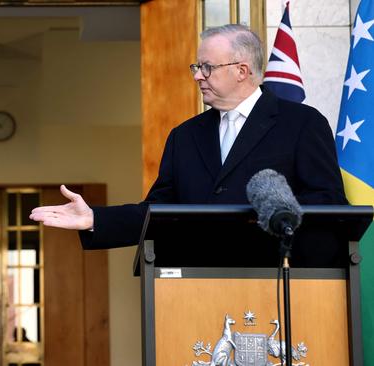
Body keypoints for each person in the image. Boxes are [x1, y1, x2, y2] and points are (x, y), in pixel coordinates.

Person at [30, 24, 347, 263]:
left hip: (276, 280)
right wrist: (95, 219)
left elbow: (327, 204)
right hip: (197, 289)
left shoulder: (302, 124)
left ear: (242, 70)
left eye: (207, 67)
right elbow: (160, 211)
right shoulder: (185, 136)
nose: (198, 76)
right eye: (197, 67)